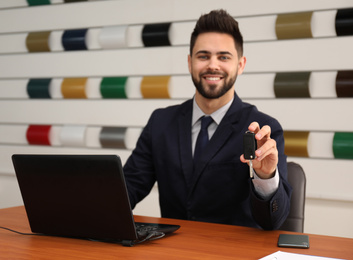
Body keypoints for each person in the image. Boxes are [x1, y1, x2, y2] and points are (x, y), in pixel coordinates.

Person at [123, 9, 292, 230]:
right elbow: (127, 188)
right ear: (189, 62)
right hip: (175, 251)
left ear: (240, 65)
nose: (213, 65)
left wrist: (266, 176)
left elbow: (274, 221)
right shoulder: (161, 122)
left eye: (223, 57)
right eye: (203, 56)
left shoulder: (263, 130)